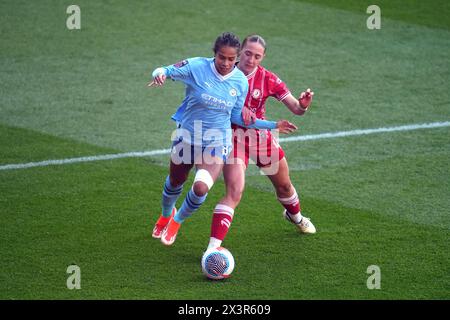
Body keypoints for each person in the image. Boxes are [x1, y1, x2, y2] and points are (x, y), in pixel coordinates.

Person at [149, 32, 297, 246]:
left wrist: (273, 125)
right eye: (221, 57)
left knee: (201, 188)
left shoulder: (239, 82)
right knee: (175, 181)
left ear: (235, 58)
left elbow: (237, 117)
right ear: (214, 54)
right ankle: (165, 215)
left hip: (217, 140)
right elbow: (166, 69)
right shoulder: (197, 67)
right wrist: (160, 73)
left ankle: (176, 221)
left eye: (230, 59)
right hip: (188, 135)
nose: (226, 63)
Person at [207, 34, 316, 250]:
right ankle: (212, 248)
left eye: (257, 56)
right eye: (247, 53)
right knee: (235, 191)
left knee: (284, 185)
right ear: (240, 53)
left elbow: (295, 108)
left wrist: (303, 105)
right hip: (232, 139)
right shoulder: (222, 74)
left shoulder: (268, 79)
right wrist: (235, 110)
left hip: (260, 138)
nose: (251, 59)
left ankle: (296, 218)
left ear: (263, 57)